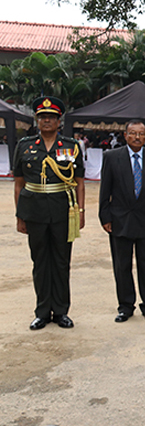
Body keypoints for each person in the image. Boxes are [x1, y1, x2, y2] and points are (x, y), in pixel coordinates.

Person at [13, 96, 85, 330]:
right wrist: (19, 215)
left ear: (58, 121)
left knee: (62, 261)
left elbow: (79, 182)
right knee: (40, 261)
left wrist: (80, 211)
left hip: (63, 211)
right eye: (43, 117)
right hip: (34, 212)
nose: (46, 121)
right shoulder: (24, 146)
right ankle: (42, 311)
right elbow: (18, 184)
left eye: (51, 117)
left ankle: (61, 311)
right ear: (37, 120)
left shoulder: (71, 146)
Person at [99, 120, 145, 323]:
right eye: (133, 133)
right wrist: (105, 217)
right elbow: (105, 190)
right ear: (125, 135)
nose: (137, 137)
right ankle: (125, 306)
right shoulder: (112, 157)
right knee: (122, 265)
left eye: (141, 134)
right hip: (120, 220)